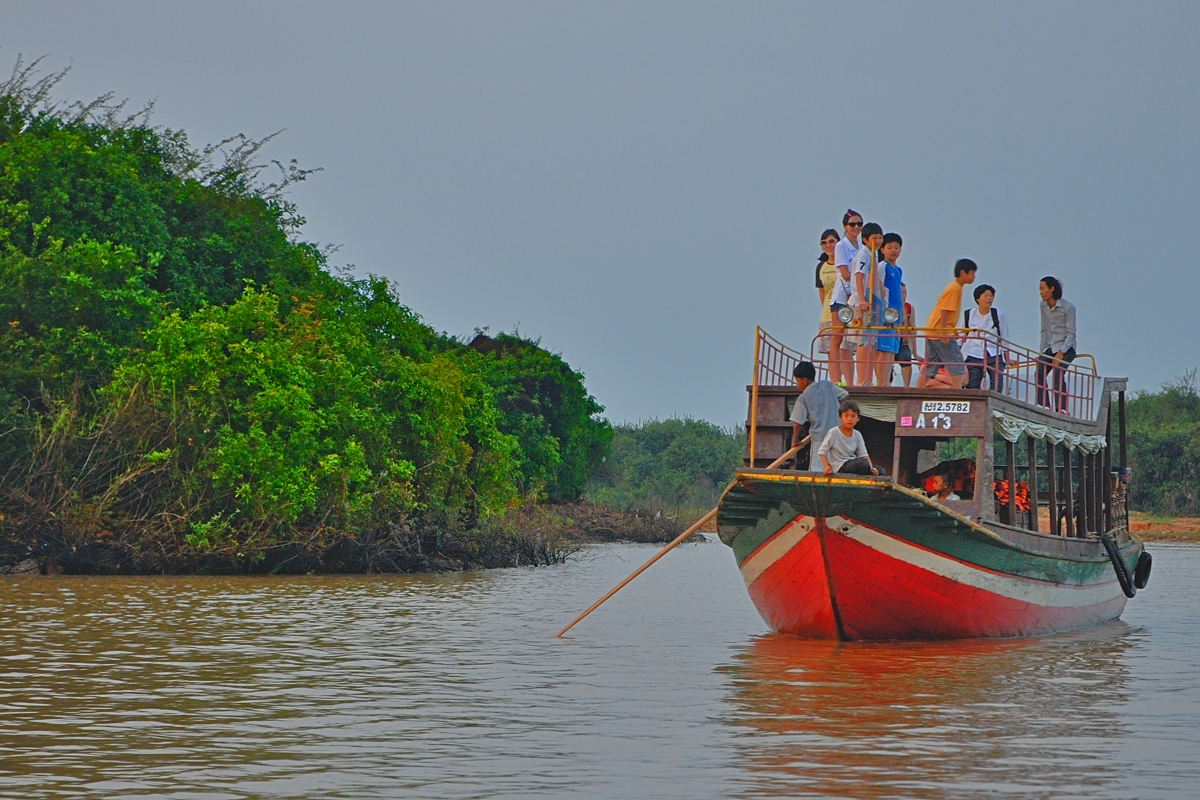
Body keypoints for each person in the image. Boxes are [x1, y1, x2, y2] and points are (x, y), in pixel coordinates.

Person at [917, 258, 977, 389]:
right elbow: (944, 310)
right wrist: (944, 332)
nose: (974, 276)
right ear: (963, 272)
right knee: (957, 363)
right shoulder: (954, 288)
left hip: (933, 329)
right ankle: (957, 393)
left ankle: (917, 390)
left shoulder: (955, 288)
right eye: (972, 273)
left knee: (931, 363)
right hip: (940, 330)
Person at [790, 361, 849, 470]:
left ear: (804, 381)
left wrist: (795, 441)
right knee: (838, 467)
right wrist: (837, 410)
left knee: (818, 469)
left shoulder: (803, 398)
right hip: (839, 435)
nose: (797, 385)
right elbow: (844, 395)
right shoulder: (826, 385)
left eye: (797, 381)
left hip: (821, 438)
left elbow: (797, 422)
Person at [851, 222, 886, 385]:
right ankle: (861, 379)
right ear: (865, 239)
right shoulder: (864, 255)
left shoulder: (874, 254)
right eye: (874, 238)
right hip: (863, 301)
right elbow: (859, 277)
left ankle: (867, 378)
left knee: (871, 341)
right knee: (864, 341)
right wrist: (862, 300)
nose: (878, 241)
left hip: (873, 300)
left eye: (880, 237)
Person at [829, 210, 862, 385]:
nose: (856, 227)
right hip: (843, 296)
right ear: (845, 227)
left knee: (856, 339)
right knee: (837, 337)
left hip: (857, 296)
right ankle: (836, 379)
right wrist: (860, 276)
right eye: (852, 224)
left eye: (859, 224)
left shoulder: (862, 247)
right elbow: (845, 274)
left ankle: (855, 380)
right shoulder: (841, 246)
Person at [1036, 276, 1077, 412]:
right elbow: (1044, 330)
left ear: (1052, 289)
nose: (1040, 292)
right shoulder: (1043, 306)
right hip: (1050, 347)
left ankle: (1062, 408)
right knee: (1039, 372)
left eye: (1042, 289)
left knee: (1058, 374)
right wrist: (1041, 353)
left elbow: (1071, 334)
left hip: (1066, 347)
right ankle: (1044, 406)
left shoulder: (1068, 308)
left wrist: (1061, 353)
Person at [962, 284, 1009, 392]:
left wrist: (1007, 358)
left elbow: (1005, 337)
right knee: (972, 385)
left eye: (991, 296)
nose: (989, 298)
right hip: (973, 352)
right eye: (986, 295)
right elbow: (961, 335)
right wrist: (957, 355)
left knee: (997, 383)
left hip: (993, 353)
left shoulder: (998, 315)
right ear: (978, 298)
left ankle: (994, 405)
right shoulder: (969, 314)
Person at [819, 399, 885, 476]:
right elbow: (822, 451)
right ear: (840, 417)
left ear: (858, 418)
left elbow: (864, 454)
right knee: (862, 463)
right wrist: (826, 466)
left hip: (852, 463)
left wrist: (872, 469)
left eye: (853, 416)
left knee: (881, 471)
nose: (849, 419)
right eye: (846, 416)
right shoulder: (834, 432)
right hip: (840, 466)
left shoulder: (857, 434)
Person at [875, 232, 904, 385]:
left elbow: (899, 293)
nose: (893, 250)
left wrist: (903, 315)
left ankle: (886, 381)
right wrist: (883, 312)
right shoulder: (882, 267)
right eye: (889, 247)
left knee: (892, 350)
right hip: (887, 314)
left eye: (896, 247)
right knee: (884, 349)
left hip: (897, 314)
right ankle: (881, 382)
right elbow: (878, 291)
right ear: (882, 249)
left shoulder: (898, 270)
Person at [815, 230, 840, 356]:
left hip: (845, 312)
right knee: (830, 351)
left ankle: (847, 376)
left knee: (844, 350)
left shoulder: (845, 264)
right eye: (824, 243)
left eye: (831, 241)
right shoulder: (821, 267)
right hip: (827, 312)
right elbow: (822, 291)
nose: (828, 245)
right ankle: (835, 376)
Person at [895, 283, 916, 387]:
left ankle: (906, 387)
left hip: (903, 342)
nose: (903, 296)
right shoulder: (888, 307)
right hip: (890, 340)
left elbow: (913, 331)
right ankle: (885, 383)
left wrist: (915, 353)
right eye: (901, 293)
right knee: (885, 362)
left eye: (905, 293)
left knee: (906, 358)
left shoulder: (909, 308)